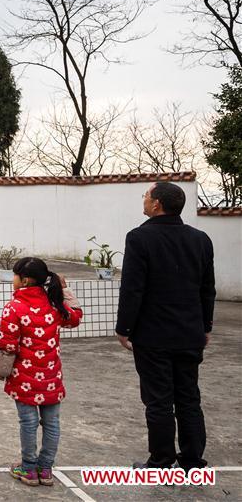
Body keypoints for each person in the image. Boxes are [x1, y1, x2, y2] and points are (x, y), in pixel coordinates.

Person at [116, 181, 216, 471]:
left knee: (158, 400)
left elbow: (133, 288)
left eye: (147, 196)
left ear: (157, 204)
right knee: (189, 398)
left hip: (153, 335)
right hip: (190, 333)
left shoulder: (139, 238)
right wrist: (205, 325)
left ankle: (160, 461)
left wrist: (124, 328)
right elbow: (207, 288)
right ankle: (193, 461)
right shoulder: (201, 239)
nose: (144, 199)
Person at [0, 257, 83, 487]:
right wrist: (65, 289)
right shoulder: (54, 305)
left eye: (15, 275)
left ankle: (28, 468)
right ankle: (45, 470)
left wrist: (1, 368)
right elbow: (75, 316)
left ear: (24, 280)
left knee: (28, 422)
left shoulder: (14, 307)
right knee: (52, 422)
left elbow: (8, 345)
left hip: (23, 378)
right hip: (51, 377)